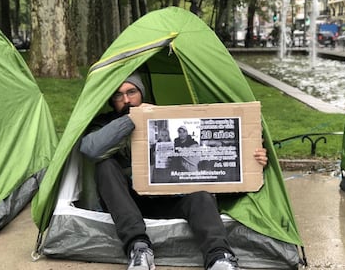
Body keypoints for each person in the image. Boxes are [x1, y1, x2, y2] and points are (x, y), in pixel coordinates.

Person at [80, 72, 268, 270]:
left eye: (131, 92)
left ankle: (219, 256)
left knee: (201, 196)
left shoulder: (166, 118)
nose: (126, 100)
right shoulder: (104, 123)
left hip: (168, 199)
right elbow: (90, 149)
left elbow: (216, 161)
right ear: (111, 100)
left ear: (142, 92)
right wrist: (132, 119)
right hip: (127, 204)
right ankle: (139, 248)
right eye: (118, 95)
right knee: (105, 166)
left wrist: (254, 160)